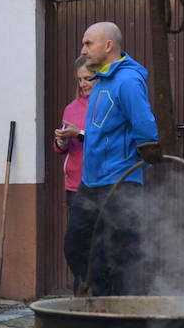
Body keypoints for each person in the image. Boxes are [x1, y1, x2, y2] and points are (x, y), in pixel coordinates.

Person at [62, 22, 160, 296]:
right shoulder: (101, 79)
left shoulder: (127, 81)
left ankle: (126, 315)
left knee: (123, 254)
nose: (83, 49)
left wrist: (137, 161)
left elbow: (145, 127)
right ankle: (101, 298)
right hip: (91, 182)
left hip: (120, 182)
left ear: (108, 46)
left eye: (88, 43)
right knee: (76, 245)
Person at [53, 55, 94, 208]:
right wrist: (61, 140)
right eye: (79, 79)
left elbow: (107, 139)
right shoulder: (71, 108)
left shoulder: (106, 104)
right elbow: (63, 148)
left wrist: (79, 134)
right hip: (74, 184)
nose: (83, 84)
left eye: (87, 78)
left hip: (100, 183)